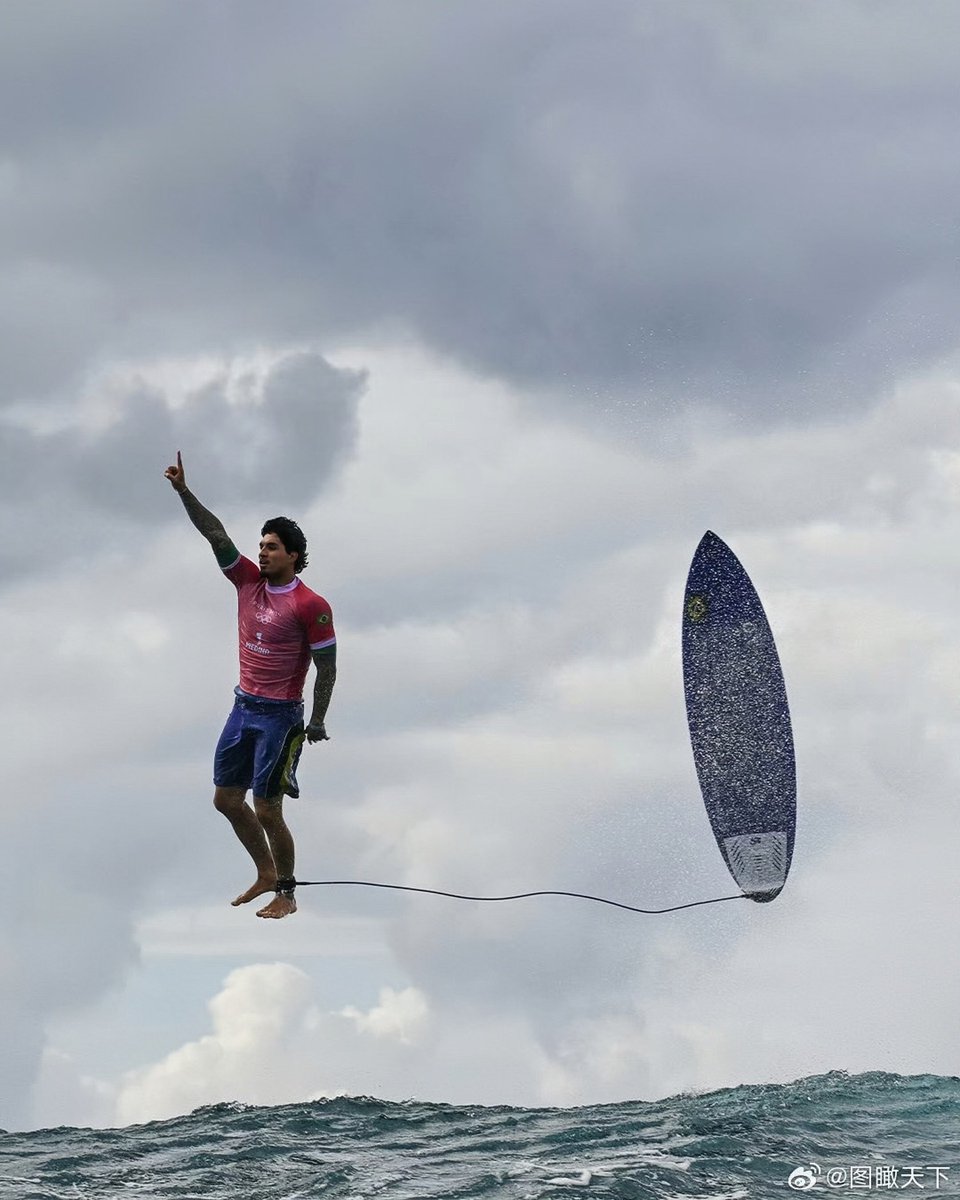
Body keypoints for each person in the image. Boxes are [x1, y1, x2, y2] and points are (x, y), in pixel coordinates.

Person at [163, 451, 337, 920]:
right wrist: (183, 491)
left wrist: (317, 720)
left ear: (294, 556)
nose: (262, 552)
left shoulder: (310, 604)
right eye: (261, 545)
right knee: (225, 800)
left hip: (281, 718)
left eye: (272, 547)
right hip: (243, 707)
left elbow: (328, 666)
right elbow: (215, 533)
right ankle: (264, 871)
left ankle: (287, 891)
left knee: (267, 808)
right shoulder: (246, 582)